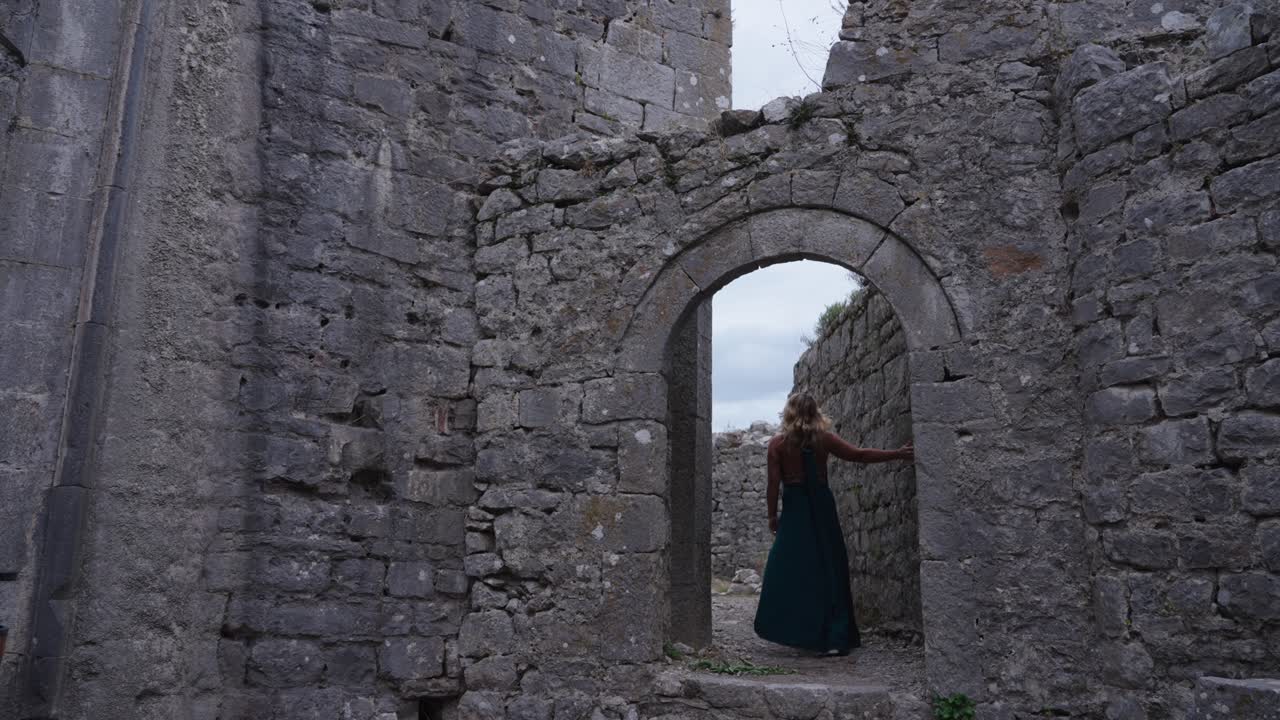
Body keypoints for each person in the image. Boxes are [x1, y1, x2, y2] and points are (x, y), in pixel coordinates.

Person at [752, 392, 914, 656]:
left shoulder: (777, 445)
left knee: (789, 568)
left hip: (795, 509)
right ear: (815, 412)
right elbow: (859, 455)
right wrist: (896, 453)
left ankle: (799, 631)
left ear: (788, 413)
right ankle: (835, 636)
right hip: (821, 506)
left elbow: (773, 484)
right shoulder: (823, 440)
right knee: (829, 564)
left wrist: (772, 516)